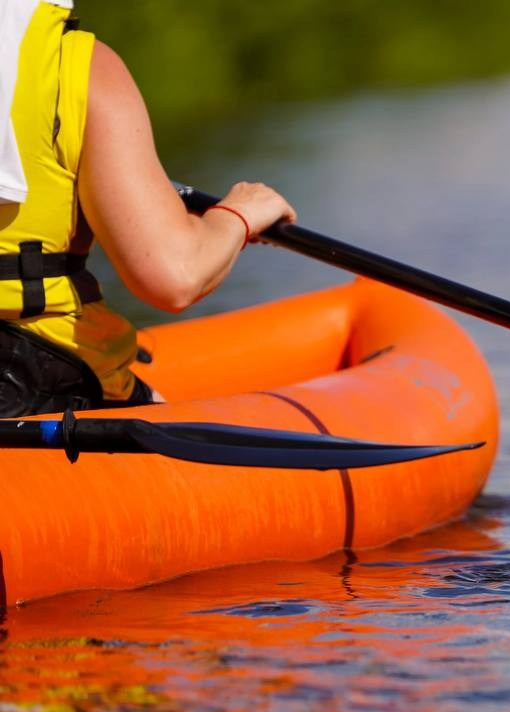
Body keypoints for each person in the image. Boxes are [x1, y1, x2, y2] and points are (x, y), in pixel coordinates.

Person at [0, 0, 295, 417]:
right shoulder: (77, 65)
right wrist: (239, 216)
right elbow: (174, 276)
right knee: (154, 406)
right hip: (34, 385)